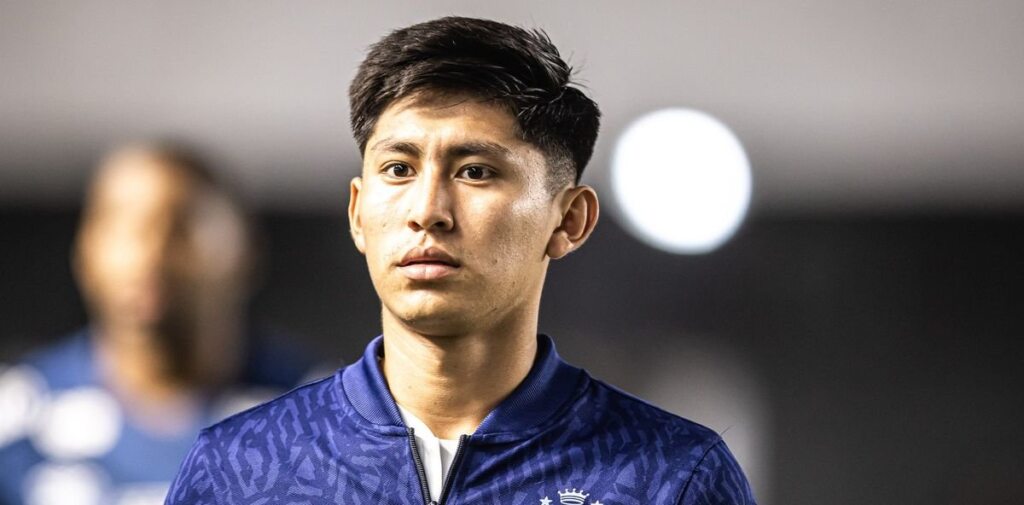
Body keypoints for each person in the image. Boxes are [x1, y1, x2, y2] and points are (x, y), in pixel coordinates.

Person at [165, 16, 756, 505]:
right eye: (399, 169)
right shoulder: (236, 469)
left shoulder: (673, 476)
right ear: (357, 212)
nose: (428, 210)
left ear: (569, 220)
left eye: (475, 172)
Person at [0, 143, 311, 505]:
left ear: (246, 251)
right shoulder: (17, 419)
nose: (149, 253)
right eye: (121, 224)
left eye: (182, 225)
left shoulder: (321, 418)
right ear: (83, 251)